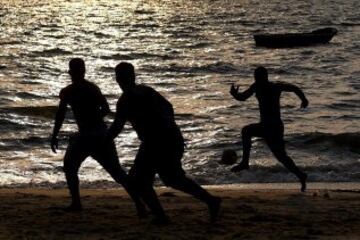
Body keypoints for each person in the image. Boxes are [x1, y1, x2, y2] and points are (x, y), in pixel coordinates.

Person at [107, 62, 221, 224]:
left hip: (155, 142)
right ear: (133, 76)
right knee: (172, 179)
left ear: (118, 79)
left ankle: (161, 216)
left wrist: (103, 140)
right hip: (169, 137)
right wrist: (169, 127)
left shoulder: (126, 100)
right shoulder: (146, 90)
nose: (119, 80)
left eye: (119, 76)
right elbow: (169, 107)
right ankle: (210, 201)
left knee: (139, 181)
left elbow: (117, 127)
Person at [50, 58, 145, 215]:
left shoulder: (68, 91)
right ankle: (139, 204)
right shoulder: (92, 88)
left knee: (70, 166)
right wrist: (95, 118)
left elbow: (60, 114)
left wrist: (55, 135)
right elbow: (106, 108)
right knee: (116, 172)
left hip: (88, 135)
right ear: (84, 71)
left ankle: (76, 203)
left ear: (70, 72)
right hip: (100, 132)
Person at [230, 66, 308, 192]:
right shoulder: (256, 86)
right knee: (247, 131)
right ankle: (245, 162)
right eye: (255, 77)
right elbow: (243, 97)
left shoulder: (275, 86)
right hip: (265, 126)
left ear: (265, 77)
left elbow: (294, 88)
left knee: (281, 157)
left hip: (274, 127)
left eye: (258, 77)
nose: (256, 79)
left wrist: (303, 99)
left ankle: (301, 175)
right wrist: (235, 94)